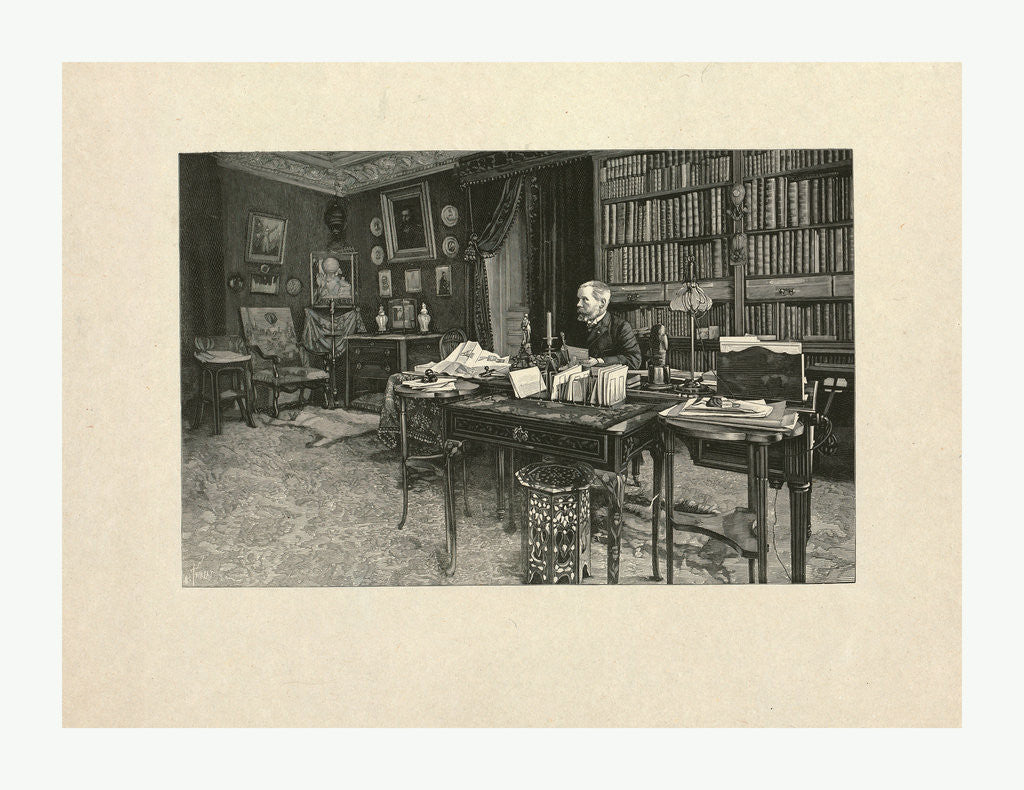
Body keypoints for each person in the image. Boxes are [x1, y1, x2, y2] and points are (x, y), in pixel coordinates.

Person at [575, 280, 641, 368]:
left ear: (602, 303)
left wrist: (599, 361)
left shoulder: (621, 327)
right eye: (579, 299)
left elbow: (634, 360)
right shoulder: (576, 324)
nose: (578, 304)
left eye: (585, 299)